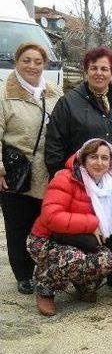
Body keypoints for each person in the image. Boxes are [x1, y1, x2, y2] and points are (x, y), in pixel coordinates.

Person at [26, 139, 112, 316]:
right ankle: (45, 285)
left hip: (83, 239)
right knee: (74, 258)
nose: (99, 163)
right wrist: (91, 224)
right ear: (83, 158)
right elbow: (50, 216)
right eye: (93, 157)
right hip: (47, 238)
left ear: (110, 161)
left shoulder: (111, 185)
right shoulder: (66, 178)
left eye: (104, 158)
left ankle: (82, 282)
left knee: (106, 260)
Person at [0, 42, 62, 294]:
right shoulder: (4, 94)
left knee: (44, 224)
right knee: (18, 226)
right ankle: (23, 274)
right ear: (17, 61)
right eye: (26, 60)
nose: (32, 66)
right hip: (16, 172)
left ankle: (44, 269)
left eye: (38, 61)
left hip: (46, 172)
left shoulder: (54, 91)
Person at [45, 46, 112, 189]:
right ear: (86, 72)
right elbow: (54, 142)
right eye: (94, 68)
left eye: (104, 69)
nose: (99, 73)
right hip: (81, 183)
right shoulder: (68, 103)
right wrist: (59, 172)